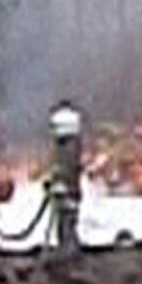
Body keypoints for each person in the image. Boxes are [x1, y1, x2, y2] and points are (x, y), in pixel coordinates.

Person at [46, 102, 84, 253]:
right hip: (67, 197)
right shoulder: (68, 148)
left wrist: (60, 185)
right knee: (64, 225)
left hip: (68, 197)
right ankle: (67, 249)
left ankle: (69, 251)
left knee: (67, 225)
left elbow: (68, 171)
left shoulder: (68, 150)